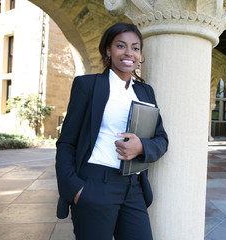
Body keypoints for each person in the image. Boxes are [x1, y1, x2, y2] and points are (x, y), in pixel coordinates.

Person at [55, 22, 168, 240]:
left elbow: (161, 139)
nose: (129, 53)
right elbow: (66, 142)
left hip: (133, 188)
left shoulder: (145, 92)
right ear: (108, 50)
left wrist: (142, 147)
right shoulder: (88, 85)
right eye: (121, 46)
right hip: (95, 184)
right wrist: (76, 189)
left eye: (135, 48)